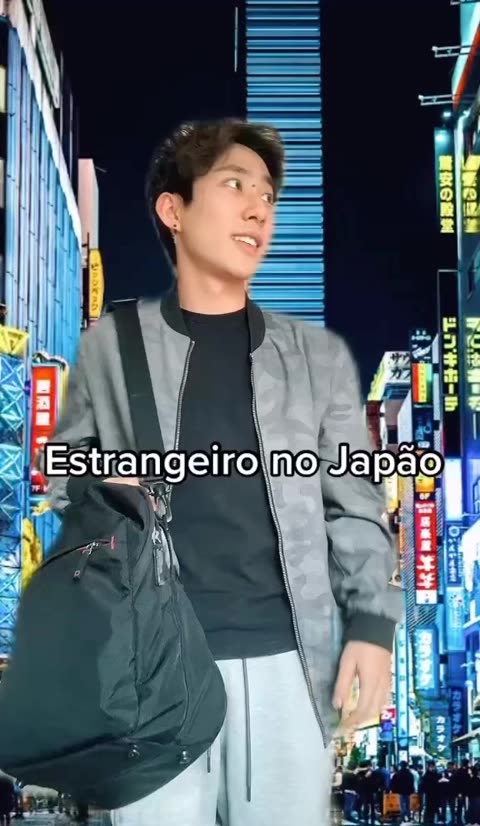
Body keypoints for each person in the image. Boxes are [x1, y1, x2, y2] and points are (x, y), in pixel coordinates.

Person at [42, 118, 403, 826]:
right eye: (234, 186)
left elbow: (355, 503)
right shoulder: (115, 350)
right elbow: (67, 487)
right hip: (155, 671)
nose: (258, 209)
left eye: (266, 194)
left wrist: (372, 626)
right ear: (173, 210)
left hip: (287, 665)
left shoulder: (312, 360)